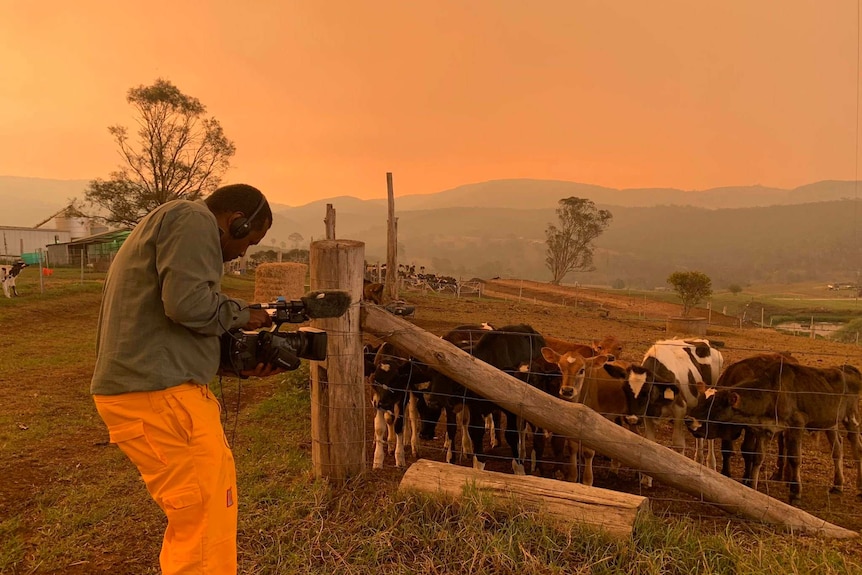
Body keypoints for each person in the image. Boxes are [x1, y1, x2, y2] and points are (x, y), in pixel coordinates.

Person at [91, 183, 280, 575]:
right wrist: (245, 313)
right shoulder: (193, 218)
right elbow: (188, 305)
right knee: (206, 525)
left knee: (197, 520)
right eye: (251, 240)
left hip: (155, 390)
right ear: (237, 222)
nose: (244, 252)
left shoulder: (166, 221)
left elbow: (168, 321)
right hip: (158, 394)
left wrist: (233, 364)